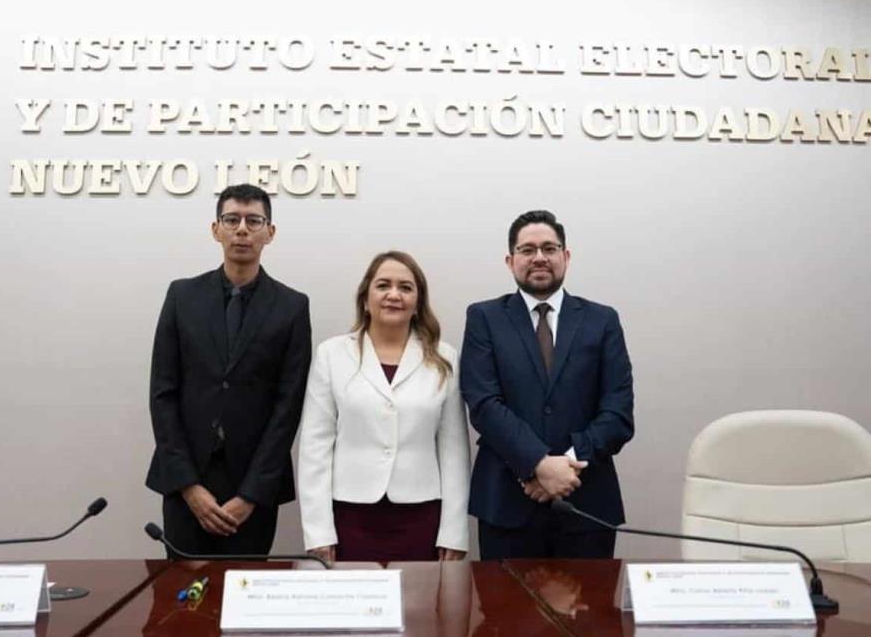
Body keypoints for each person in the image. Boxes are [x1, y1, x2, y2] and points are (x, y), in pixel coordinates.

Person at [146, 184, 312, 557]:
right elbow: (162, 394)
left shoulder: (292, 307)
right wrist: (189, 487)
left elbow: (287, 408)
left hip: (252, 487)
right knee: (181, 590)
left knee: (247, 587)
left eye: (254, 221)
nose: (242, 230)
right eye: (232, 219)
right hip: (188, 481)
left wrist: (251, 494)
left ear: (270, 232)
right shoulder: (182, 296)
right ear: (215, 229)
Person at [460, 210, 633, 559]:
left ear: (565, 256)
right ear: (510, 261)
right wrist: (538, 463)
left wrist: (566, 465)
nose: (539, 257)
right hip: (507, 503)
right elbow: (484, 405)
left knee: (589, 599)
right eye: (527, 250)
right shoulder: (484, 318)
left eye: (549, 248)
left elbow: (618, 413)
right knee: (504, 598)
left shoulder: (602, 320)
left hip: (586, 503)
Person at [298, 251, 470, 563]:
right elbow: (315, 447)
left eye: (405, 287)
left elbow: (454, 451)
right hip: (349, 516)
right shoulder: (331, 355)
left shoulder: (444, 358)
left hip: (421, 518)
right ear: (365, 299)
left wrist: (454, 532)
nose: (394, 295)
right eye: (383, 285)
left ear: (418, 302)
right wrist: (318, 532)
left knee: (418, 596)